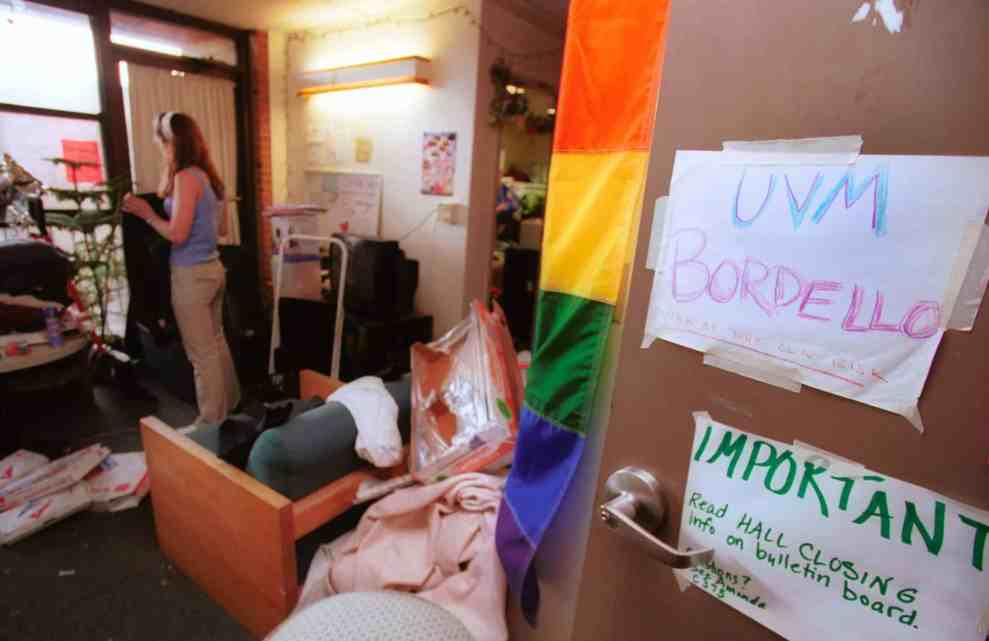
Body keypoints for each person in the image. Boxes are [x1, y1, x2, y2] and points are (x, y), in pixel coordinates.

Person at [122, 112, 240, 427]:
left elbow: (177, 234)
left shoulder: (186, 177)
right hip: (213, 269)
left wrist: (146, 213)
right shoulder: (209, 177)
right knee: (216, 342)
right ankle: (230, 407)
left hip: (192, 275)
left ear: (171, 142)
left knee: (201, 354)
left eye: (162, 142)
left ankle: (210, 423)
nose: (161, 148)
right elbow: (222, 230)